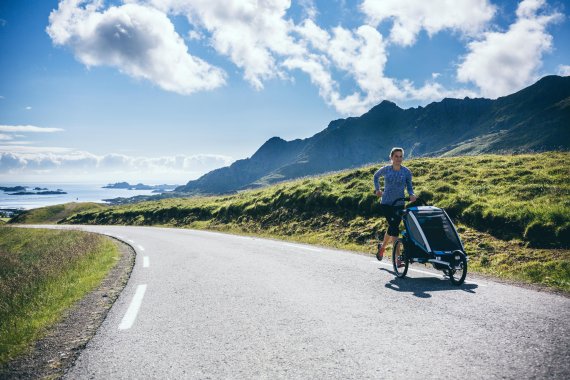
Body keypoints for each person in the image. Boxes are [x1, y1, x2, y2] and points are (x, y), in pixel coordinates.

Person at [373, 147, 416, 264]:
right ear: (391, 157)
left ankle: (382, 247)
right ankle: (397, 258)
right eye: (396, 156)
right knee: (395, 228)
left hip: (399, 204)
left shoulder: (406, 172)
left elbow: (409, 187)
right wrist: (377, 189)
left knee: (392, 227)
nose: (398, 159)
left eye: (400, 156)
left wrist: (412, 194)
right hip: (386, 203)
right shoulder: (386, 169)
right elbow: (376, 176)